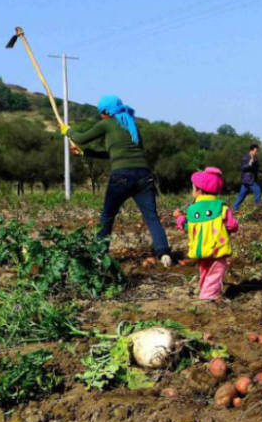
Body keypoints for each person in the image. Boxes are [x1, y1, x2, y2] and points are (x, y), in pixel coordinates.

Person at [61, 95, 171, 266]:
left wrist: (67, 130)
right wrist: (85, 152)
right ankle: (164, 255)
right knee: (151, 217)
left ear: (106, 111)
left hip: (121, 176)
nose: (101, 116)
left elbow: (81, 138)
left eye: (101, 112)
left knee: (107, 216)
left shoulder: (106, 123)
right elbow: (115, 153)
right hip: (144, 175)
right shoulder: (131, 125)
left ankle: (99, 256)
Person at [173, 167, 238, 301]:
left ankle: (205, 291)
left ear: (199, 191)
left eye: (193, 189)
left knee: (204, 271)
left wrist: (179, 218)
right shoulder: (222, 207)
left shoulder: (191, 210)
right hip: (217, 248)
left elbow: (186, 227)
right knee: (216, 272)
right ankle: (208, 296)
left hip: (199, 249)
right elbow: (232, 225)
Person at [233, 144, 262, 212]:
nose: (257, 153)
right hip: (248, 179)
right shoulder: (245, 158)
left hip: (249, 180)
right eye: (256, 151)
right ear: (251, 150)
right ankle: (258, 209)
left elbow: (257, 168)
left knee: (242, 195)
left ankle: (234, 209)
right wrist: (249, 164)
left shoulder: (255, 159)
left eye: (257, 151)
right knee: (257, 190)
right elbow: (243, 168)